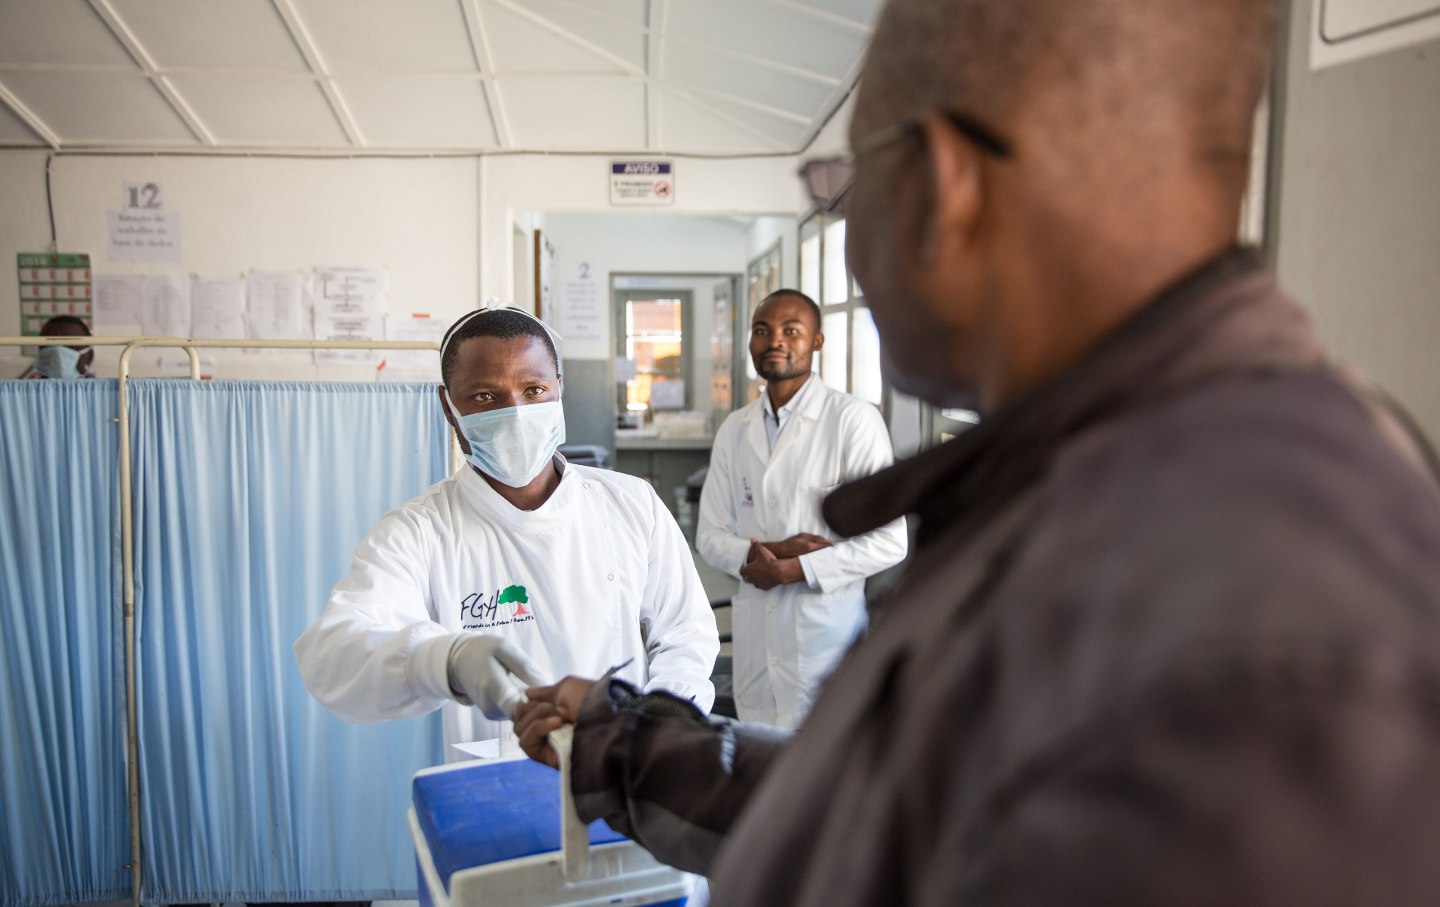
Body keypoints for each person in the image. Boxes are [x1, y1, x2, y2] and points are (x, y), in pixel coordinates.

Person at [514, 0, 1440, 903]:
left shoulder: (1270, 623)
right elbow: (890, 806)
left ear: (945, 186)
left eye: (846, 187)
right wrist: (626, 738)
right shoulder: (1098, 488)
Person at [294, 306, 719, 757]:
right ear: (448, 405)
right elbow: (333, 656)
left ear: (559, 390)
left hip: (626, 768)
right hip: (492, 789)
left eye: (533, 389)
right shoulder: (420, 530)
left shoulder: (631, 504)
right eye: (483, 397)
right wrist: (444, 661)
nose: (515, 413)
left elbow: (686, 636)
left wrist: (651, 724)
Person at [697, 289, 906, 728]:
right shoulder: (735, 430)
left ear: (816, 342)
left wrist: (795, 569)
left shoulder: (853, 420)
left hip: (826, 640)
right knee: (760, 767)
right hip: (756, 641)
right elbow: (709, 538)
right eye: (762, 331)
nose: (776, 341)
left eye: (792, 331)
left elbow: (891, 542)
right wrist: (770, 551)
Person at [19, 315, 95, 379]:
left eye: (69, 347)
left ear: (89, 356)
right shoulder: (22, 393)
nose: (58, 355)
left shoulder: (99, 393)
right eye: (50, 346)